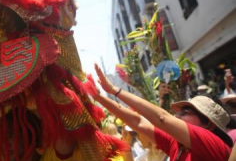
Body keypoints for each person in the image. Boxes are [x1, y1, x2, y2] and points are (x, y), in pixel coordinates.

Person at [92, 64, 232, 161]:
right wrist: (100, 97)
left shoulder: (212, 144)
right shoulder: (177, 144)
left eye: (185, 112)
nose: (177, 115)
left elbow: (162, 118)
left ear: (208, 123)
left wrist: (115, 90)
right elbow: (138, 122)